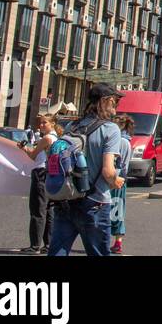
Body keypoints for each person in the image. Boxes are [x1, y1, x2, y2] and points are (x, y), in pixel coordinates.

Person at [50, 83, 124, 256]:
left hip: (67, 197)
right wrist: (116, 181)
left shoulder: (72, 127)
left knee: (57, 252)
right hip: (95, 202)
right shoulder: (110, 129)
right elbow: (108, 171)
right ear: (108, 101)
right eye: (116, 102)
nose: (116, 107)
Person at [17, 113, 59, 254]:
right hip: (51, 175)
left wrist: (23, 148)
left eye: (44, 123)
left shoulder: (47, 138)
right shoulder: (56, 138)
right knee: (49, 210)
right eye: (40, 123)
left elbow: (33, 155)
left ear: (52, 124)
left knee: (37, 210)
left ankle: (35, 245)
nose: (41, 125)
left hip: (41, 174)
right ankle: (48, 244)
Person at [108, 113, 135, 254]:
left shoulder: (121, 141)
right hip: (120, 178)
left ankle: (116, 241)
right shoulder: (125, 141)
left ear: (122, 125)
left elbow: (116, 161)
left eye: (116, 123)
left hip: (117, 178)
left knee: (114, 209)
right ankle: (117, 241)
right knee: (117, 208)